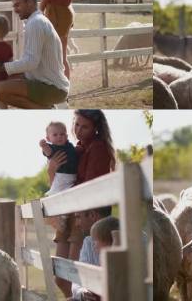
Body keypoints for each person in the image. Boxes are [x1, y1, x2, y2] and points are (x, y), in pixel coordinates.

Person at [47, 110, 116, 297]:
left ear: (95, 128)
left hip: (85, 214)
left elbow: (90, 187)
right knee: (60, 277)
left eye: (85, 126)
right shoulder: (73, 148)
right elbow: (57, 183)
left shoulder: (98, 148)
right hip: (68, 211)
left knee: (74, 276)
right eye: (76, 124)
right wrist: (52, 169)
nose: (78, 130)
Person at [0, 0, 69, 108]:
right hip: (46, 82)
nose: (15, 10)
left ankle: (45, 110)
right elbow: (31, 62)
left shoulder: (35, 23)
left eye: (17, 5)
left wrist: (0, 67)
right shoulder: (37, 21)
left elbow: (31, 62)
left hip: (53, 88)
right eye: (14, 6)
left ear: (29, 2)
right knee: (3, 80)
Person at [69, 207, 113, 301]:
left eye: (78, 217)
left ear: (92, 215)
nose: (77, 223)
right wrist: (82, 292)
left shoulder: (135, 240)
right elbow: (78, 277)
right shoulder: (88, 242)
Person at [40, 121, 78, 196]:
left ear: (66, 136)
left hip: (73, 175)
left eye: (62, 134)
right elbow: (48, 153)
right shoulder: (53, 148)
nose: (59, 136)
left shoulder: (69, 145)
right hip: (61, 175)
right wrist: (44, 146)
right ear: (48, 138)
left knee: (69, 189)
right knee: (58, 190)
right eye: (55, 135)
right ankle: (54, 194)